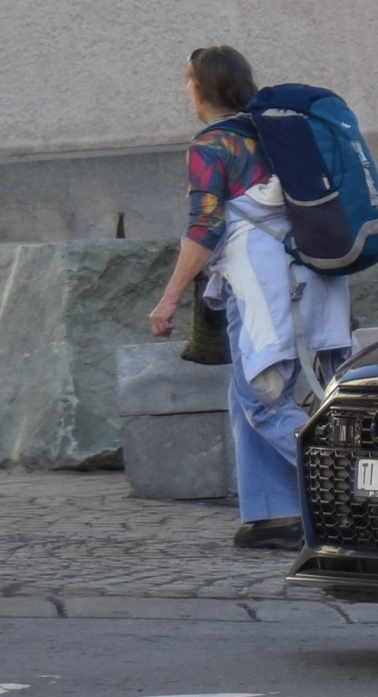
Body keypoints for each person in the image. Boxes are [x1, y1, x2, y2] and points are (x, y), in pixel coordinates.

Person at [146, 47, 352, 550]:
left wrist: (169, 298)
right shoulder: (279, 133)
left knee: (266, 405)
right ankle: (274, 514)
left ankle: (361, 485)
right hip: (318, 278)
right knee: (248, 398)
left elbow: (206, 226)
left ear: (198, 90)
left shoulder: (212, 145)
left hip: (265, 289)